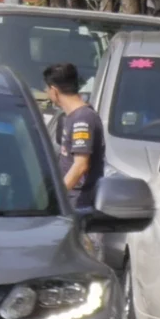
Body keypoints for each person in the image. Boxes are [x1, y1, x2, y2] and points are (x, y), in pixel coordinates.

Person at [44, 61, 103, 211]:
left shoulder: (82, 119)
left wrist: (55, 198)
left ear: (54, 90)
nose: (46, 92)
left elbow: (80, 165)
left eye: (46, 88)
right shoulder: (73, 116)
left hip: (78, 204)